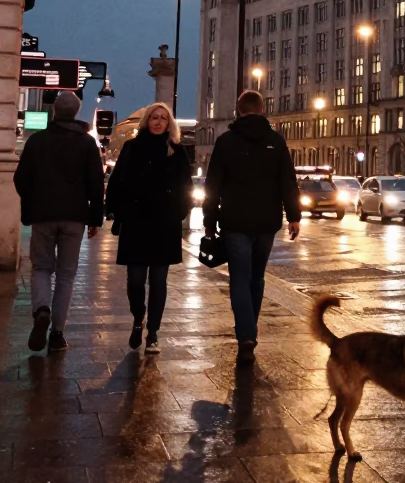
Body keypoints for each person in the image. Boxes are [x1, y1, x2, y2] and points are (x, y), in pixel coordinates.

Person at [204, 90, 300, 365]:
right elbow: (287, 182)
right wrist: (294, 216)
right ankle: (250, 331)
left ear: (238, 110)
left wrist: (209, 222)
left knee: (239, 279)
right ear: (262, 110)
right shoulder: (276, 141)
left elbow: (213, 186)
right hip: (267, 222)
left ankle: (246, 335)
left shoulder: (225, 142)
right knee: (256, 278)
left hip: (235, 222)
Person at [14, 89, 104, 353]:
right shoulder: (87, 143)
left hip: (43, 216)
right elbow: (96, 183)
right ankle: (57, 333)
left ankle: (41, 309)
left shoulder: (37, 140)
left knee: (41, 267)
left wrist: (32, 202)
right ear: (76, 113)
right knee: (66, 275)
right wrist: (94, 217)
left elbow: (21, 179)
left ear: (55, 111)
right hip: (74, 217)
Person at [105, 102, 192, 354]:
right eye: (154, 117)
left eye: (163, 118)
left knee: (158, 280)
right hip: (136, 222)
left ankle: (153, 332)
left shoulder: (176, 151)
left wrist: (179, 213)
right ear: (147, 121)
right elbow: (117, 182)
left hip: (165, 223)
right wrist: (117, 211)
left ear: (169, 123)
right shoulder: (132, 148)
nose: (158, 122)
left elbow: (186, 187)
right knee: (135, 279)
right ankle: (138, 316)